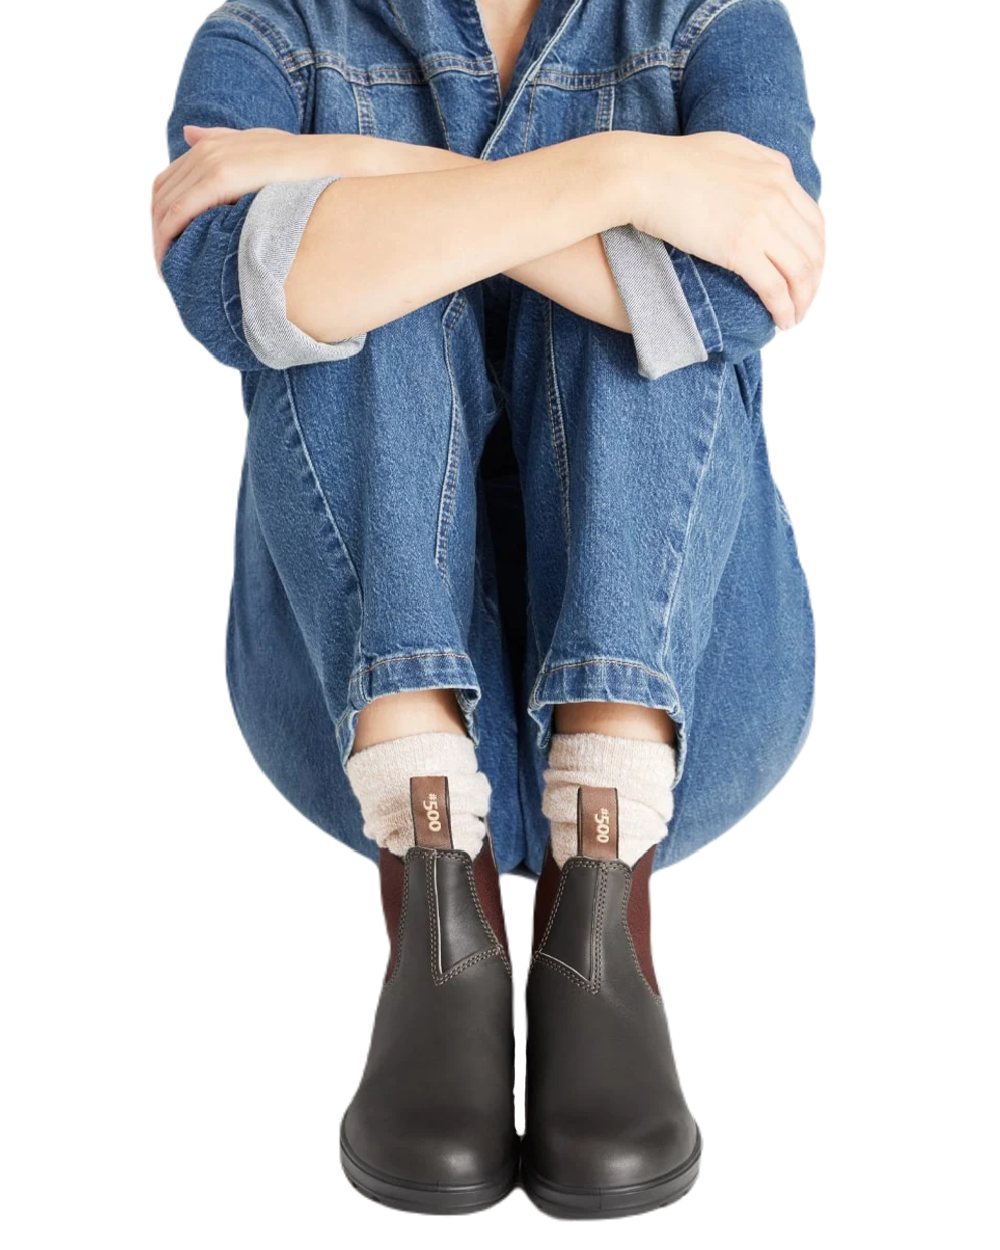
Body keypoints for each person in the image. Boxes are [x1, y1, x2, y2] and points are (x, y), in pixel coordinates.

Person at [152, 0, 824, 1219]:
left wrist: (344, 165)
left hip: (690, 670)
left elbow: (736, 297)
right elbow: (225, 284)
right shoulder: (271, 31)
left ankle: (600, 905)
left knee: (585, 316)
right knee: (348, 298)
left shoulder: (715, 21)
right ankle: (437, 920)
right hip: (354, 684)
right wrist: (628, 179)